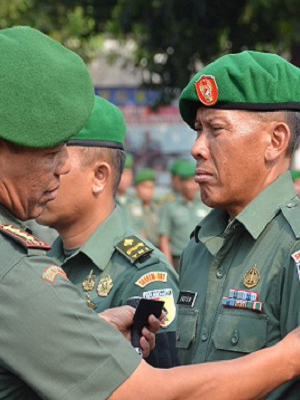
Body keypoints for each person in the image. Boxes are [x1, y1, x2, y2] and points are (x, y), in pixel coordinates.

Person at [0, 26, 300, 400]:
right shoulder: (7, 268)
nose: (61, 168)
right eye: (48, 153)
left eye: (216, 130)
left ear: (276, 141)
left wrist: (92, 338)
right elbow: (147, 392)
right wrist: (292, 356)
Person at [177, 50, 300, 400]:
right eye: (199, 130)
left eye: (215, 129)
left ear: (275, 141)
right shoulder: (201, 245)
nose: (197, 148)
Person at [35, 95, 179, 368]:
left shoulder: (142, 276)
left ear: (99, 176)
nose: (43, 176)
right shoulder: (42, 261)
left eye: (56, 163)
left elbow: (163, 386)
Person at [158, 160, 208, 268]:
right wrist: (168, 264)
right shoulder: (169, 205)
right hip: (178, 258)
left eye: (193, 181)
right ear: (181, 183)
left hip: (203, 257)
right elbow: (164, 238)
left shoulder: (207, 204)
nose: (191, 186)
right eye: (187, 181)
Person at [129, 167, 162, 246]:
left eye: (151, 187)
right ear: (136, 188)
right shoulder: (130, 207)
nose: (148, 191)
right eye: (144, 187)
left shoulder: (157, 207)